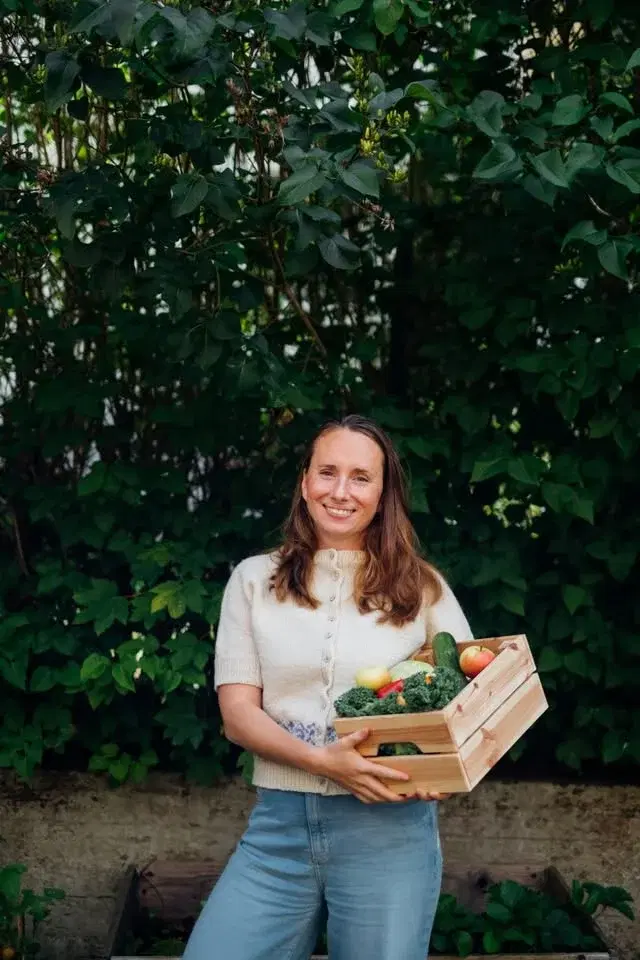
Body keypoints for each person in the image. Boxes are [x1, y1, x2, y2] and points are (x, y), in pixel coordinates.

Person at [183, 414, 473, 960]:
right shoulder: (253, 580)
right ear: (305, 482)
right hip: (279, 830)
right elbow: (238, 714)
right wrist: (323, 762)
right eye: (327, 472)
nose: (341, 491)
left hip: (388, 831)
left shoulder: (423, 587)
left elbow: (474, 699)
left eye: (361, 477)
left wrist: (442, 766)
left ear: (383, 492)